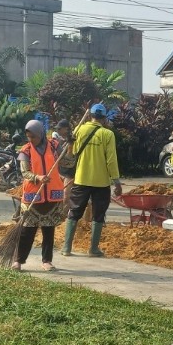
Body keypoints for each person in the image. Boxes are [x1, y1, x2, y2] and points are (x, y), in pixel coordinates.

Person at [61, 103, 122, 258]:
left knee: (74, 212)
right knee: (98, 215)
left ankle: (66, 247)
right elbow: (111, 160)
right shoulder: (107, 134)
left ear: (90, 116)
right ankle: (93, 249)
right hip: (101, 182)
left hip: (81, 179)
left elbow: (72, 152)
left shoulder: (79, 130)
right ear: (104, 118)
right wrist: (116, 181)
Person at [12, 120, 65, 272]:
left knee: (49, 230)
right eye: (28, 137)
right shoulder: (26, 150)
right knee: (27, 231)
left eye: (33, 137)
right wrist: (38, 177)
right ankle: (18, 260)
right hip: (33, 196)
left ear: (41, 134)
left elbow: (67, 163)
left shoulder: (54, 145)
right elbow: (25, 172)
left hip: (53, 195)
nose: (31, 140)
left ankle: (47, 261)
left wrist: (70, 147)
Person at [52, 119, 75, 210]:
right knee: (58, 196)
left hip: (70, 173)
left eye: (59, 129)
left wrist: (70, 144)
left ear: (66, 129)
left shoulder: (72, 139)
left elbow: (70, 157)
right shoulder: (61, 140)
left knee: (66, 196)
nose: (58, 131)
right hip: (60, 172)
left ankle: (66, 218)